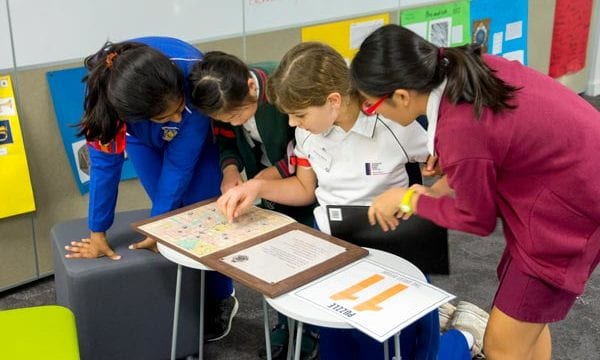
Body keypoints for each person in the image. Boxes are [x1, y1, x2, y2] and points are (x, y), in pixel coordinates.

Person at [351, 24, 600, 360]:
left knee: (500, 344)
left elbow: (476, 219)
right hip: (565, 184)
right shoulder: (461, 68)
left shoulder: (460, 129)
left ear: (401, 95)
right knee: (527, 324)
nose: (374, 113)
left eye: (370, 105)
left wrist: (412, 198)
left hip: (569, 213)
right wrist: (456, 171)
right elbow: (500, 137)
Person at [216, 42, 475, 360]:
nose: (294, 125)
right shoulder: (308, 132)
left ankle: (463, 337)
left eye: (299, 115)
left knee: (405, 351)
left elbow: (462, 168)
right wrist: (257, 188)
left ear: (333, 101)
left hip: (395, 246)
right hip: (334, 246)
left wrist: (427, 195)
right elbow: (304, 188)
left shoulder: (395, 122)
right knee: (338, 346)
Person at [65, 37, 237, 341]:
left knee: (203, 208)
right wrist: (97, 233)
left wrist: (158, 228)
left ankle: (220, 296)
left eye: (177, 109)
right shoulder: (104, 95)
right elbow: (105, 166)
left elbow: (180, 166)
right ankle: (182, 293)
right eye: (165, 117)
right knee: (162, 202)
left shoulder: (192, 75)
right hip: (140, 133)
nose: (175, 118)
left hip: (195, 128)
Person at [189, 50, 317, 359]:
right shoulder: (225, 104)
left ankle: (308, 330)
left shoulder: (282, 90)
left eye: (236, 116)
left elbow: (302, 153)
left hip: (299, 180)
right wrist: (231, 170)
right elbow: (225, 140)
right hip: (263, 183)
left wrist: (258, 182)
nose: (233, 121)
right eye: (224, 119)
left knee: (305, 259)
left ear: (250, 85)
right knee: (275, 260)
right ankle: (285, 324)